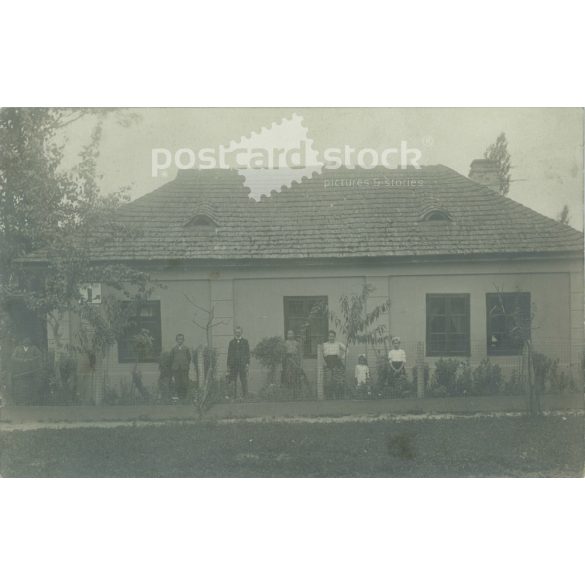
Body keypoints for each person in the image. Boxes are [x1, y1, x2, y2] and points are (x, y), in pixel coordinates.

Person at [11, 337, 43, 405]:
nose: (26, 342)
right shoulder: (17, 348)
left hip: (32, 370)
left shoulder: (34, 348)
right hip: (20, 370)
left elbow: (40, 355)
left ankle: (31, 400)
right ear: (22, 342)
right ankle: (21, 399)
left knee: (31, 384)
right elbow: (13, 357)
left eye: (28, 341)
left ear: (30, 342)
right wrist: (22, 360)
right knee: (21, 384)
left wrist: (32, 359)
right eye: (25, 341)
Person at [227, 326, 250, 399]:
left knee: (243, 380)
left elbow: (247, 353)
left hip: (242, 364)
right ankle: (233, 396)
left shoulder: (245, 342)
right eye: (236, 332)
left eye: (239, 332)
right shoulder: (231, 342)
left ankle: (245, 395)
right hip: (233, 365)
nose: (238, 333)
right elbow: (229, 354)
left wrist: (247, 364)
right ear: (234, 333)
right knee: (233, 380)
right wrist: (228, 365)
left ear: (241, 332)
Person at [322, 330, 346, 399]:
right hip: (328, 362)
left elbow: (346, 349)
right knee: (328, 379)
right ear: (328, 337)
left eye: (332, 336)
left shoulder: (338, 344)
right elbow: (321, 353)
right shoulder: (324, 344)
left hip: (336, 362)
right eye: (330, 336)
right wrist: (323, 361)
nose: (331, 338)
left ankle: (339, 396)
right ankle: (329, 396)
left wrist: (342, 357)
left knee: (338, 379)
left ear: (335, 337)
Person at [170, 333, 191, 401]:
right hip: (176, 368)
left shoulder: (186, 348)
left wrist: (185, 364)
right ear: (176, 340)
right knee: (177, 382)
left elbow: (189, 358)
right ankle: (178, 396)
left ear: (183, 340)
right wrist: (174, 366)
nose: (180, 341)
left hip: (184, 368)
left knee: (184, 382)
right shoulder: (174, 349)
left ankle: (185, 396)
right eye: (178, 339)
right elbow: (171, 358)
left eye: (181, 339)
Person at [282, 330, 302, 396]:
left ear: (294, 335)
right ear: (287, 335)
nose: (290, 335)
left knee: (295, 375)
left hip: (295, 359)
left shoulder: (297, 343)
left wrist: (298, 362)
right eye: (289, 334)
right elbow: (283, 354)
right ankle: (289, 392)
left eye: (291, 334)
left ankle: (296, 392)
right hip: (288, 360)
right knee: (288, 375)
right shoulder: (285, 343)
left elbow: (299, 353)